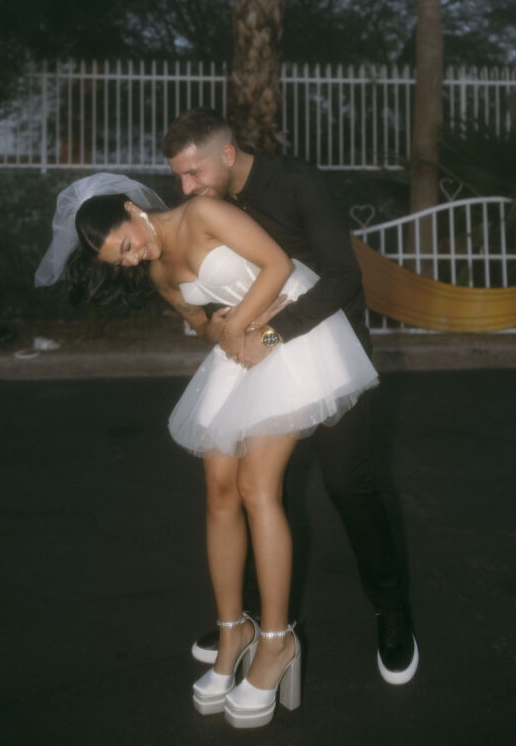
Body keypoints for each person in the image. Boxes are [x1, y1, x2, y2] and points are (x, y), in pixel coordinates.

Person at [35, 171, 378, 729]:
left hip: (289, 333)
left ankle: (275, 642)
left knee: (256, 487)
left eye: (126, 244)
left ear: (132, 209)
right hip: (243, 347)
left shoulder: (202, 213)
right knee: (219, 490)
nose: (131, 259)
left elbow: (279, 266)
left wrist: (243, 328)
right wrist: (218, 331)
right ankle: (231, 633)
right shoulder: (157, 270)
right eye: (118, 261)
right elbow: (198, 321)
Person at [162, 108, 419, 686]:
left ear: (226, 155)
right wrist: (215, 319)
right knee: (251, 488)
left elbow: (342, 278)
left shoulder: (297, 182)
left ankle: (392, 608)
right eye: (179, 178)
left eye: (193, 173)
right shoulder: (211, 201)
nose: (186, 188)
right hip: (256, 357)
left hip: (329, 350)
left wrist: (273, 333)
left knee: (345, 483)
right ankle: (247, 620)